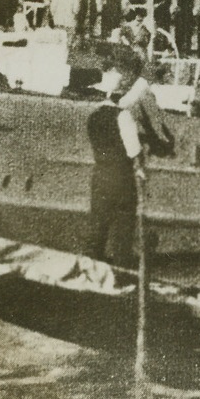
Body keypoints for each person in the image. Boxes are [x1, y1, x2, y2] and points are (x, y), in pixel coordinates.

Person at [84, 62, 145, 269]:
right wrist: (140, 168)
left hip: (100, 175)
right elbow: (133, 150)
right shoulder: (123, 116)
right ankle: (121, 271)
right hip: (121, 178)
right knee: (123, 230)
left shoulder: (93, 117)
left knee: (97, 226)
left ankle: (92, 270)